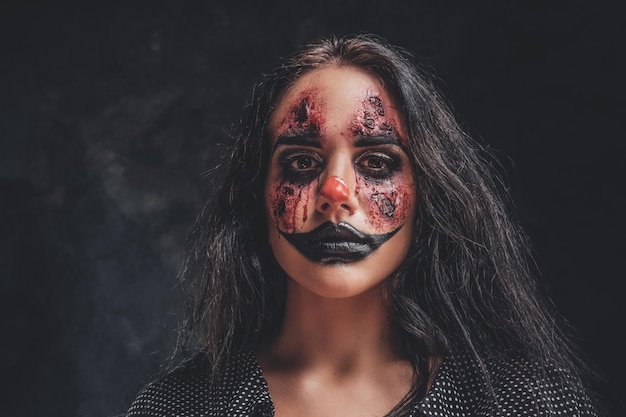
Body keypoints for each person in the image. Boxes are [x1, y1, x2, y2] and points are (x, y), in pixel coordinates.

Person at [126, 33, 601, 416]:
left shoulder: (525, 405)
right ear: (255, 193)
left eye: (376, 163)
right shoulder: (177, 407)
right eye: (301, 162)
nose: (336, 192)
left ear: (426, 194)